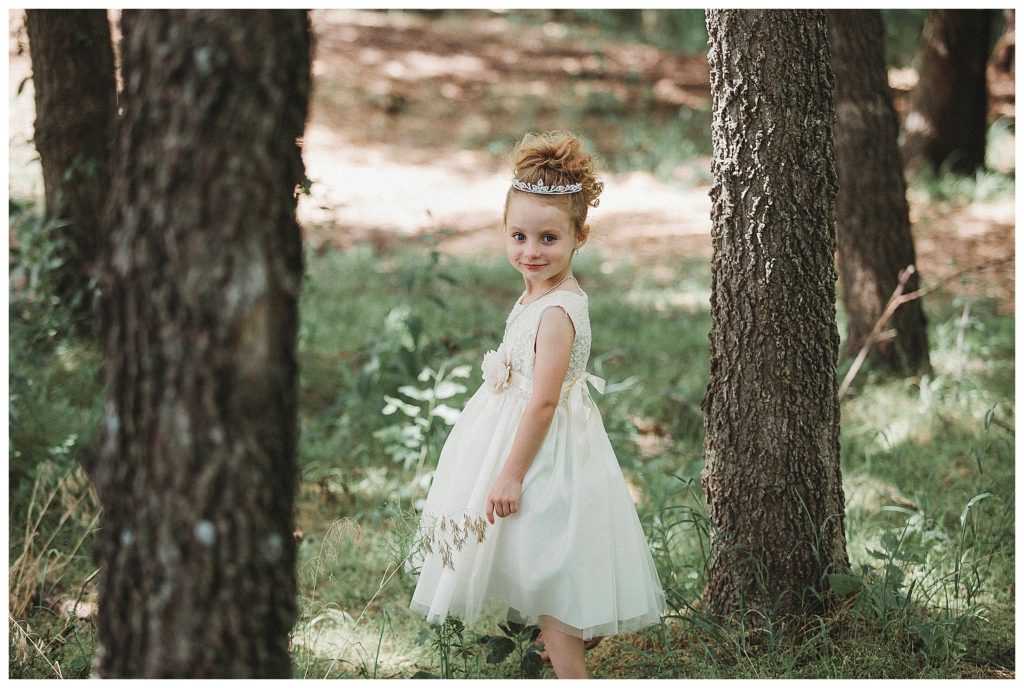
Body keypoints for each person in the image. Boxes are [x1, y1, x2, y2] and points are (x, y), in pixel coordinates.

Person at [409, 130, 666, 679]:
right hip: (527, 438)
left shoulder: (557, 312)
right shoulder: (537, 293)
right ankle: (566, 644)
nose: (530, 251)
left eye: (548, 238)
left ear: (580, 236)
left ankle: (572, 665)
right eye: (518, 235)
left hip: (543, 454)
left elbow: (545, 401)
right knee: (532, 557)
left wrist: (509, 475)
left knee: (549, 570)